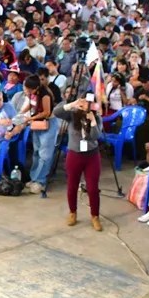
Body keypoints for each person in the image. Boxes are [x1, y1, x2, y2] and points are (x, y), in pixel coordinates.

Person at [54, 96, 103, 231]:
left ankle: (95, 216)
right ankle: (72, 212)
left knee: (93, 188)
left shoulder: (97, 117)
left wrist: (92, 121)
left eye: (89, 102)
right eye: (84, 101)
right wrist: (72, 104)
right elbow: (56, 112)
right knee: (72, 185)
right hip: (74, 154)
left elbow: (95, 136)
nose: (86, 105)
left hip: (91, 155)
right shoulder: (71, 114)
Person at [19, 74, 59, 194]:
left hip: (48, 125)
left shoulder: (45, 94)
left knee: (44, 154)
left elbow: (46, 112)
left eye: (27, 88)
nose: (25, 90)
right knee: (36, 152)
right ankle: (34, 177)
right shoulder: (32, 93)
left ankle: (41, 181)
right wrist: (20, 113)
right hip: (37, 125)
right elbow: (31, 104)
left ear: (35, 88)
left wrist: (30, 118)